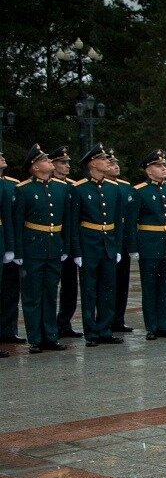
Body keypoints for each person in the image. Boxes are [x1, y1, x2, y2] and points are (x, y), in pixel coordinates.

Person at [13, 145, 71, 353]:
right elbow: (18, 223)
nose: (50, 163)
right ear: (35, 167)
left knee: (50, 293)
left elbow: (66, 221)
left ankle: (50, 336)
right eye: (45, 160)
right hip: (32, 248)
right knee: (32, 296)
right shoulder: (23, 190)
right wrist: (18, 252)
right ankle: (35, 339)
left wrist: (65, 246)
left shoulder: (60, 188)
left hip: (53, 247)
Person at [69, 144, 125, 347]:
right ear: (92, 163)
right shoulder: (79, 189)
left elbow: (117, 222)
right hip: (88, 244)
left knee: (108, 288)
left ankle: (105, 329)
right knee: (89, 290)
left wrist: (117, 247)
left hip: (108, 244)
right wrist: (77, 250)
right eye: (103, 159)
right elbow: (73, 223)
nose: (108, 162)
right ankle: (91, 332)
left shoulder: (114, 189)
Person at [127, 149, 166, 340]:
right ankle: (152, 326)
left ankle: (165, 324)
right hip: (149, 244)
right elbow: (131, 222)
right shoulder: (139, 191)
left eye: (165, 165)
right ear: (148, 170)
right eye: (159, 166)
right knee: (150, 287)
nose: (164, 168)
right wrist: (133, 248)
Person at [50, 146, 82, 339]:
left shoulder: (73, 186)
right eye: (62, 163)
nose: (67, 166)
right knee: (52, 285)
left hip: (70, 242)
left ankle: (64, 322)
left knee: (70, 286)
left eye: (68, 162)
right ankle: (50, 324)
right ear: (52, 165)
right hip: (52, 241)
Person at [104, 148, 136, 332]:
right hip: (107, 237)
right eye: (111, 163)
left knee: (122, 281)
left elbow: (131, 218)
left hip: (122, 238)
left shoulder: (125, 187)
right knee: (107, 282)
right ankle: (106, 319)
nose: (115, 167)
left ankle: (119, 318)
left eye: (116, 163)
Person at [0, 150, 24, 347]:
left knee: (10, 289)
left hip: (8, 243)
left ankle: (9, 330)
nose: (2, 156)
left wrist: (13, 247)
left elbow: (15, 219)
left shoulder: (13, 184)